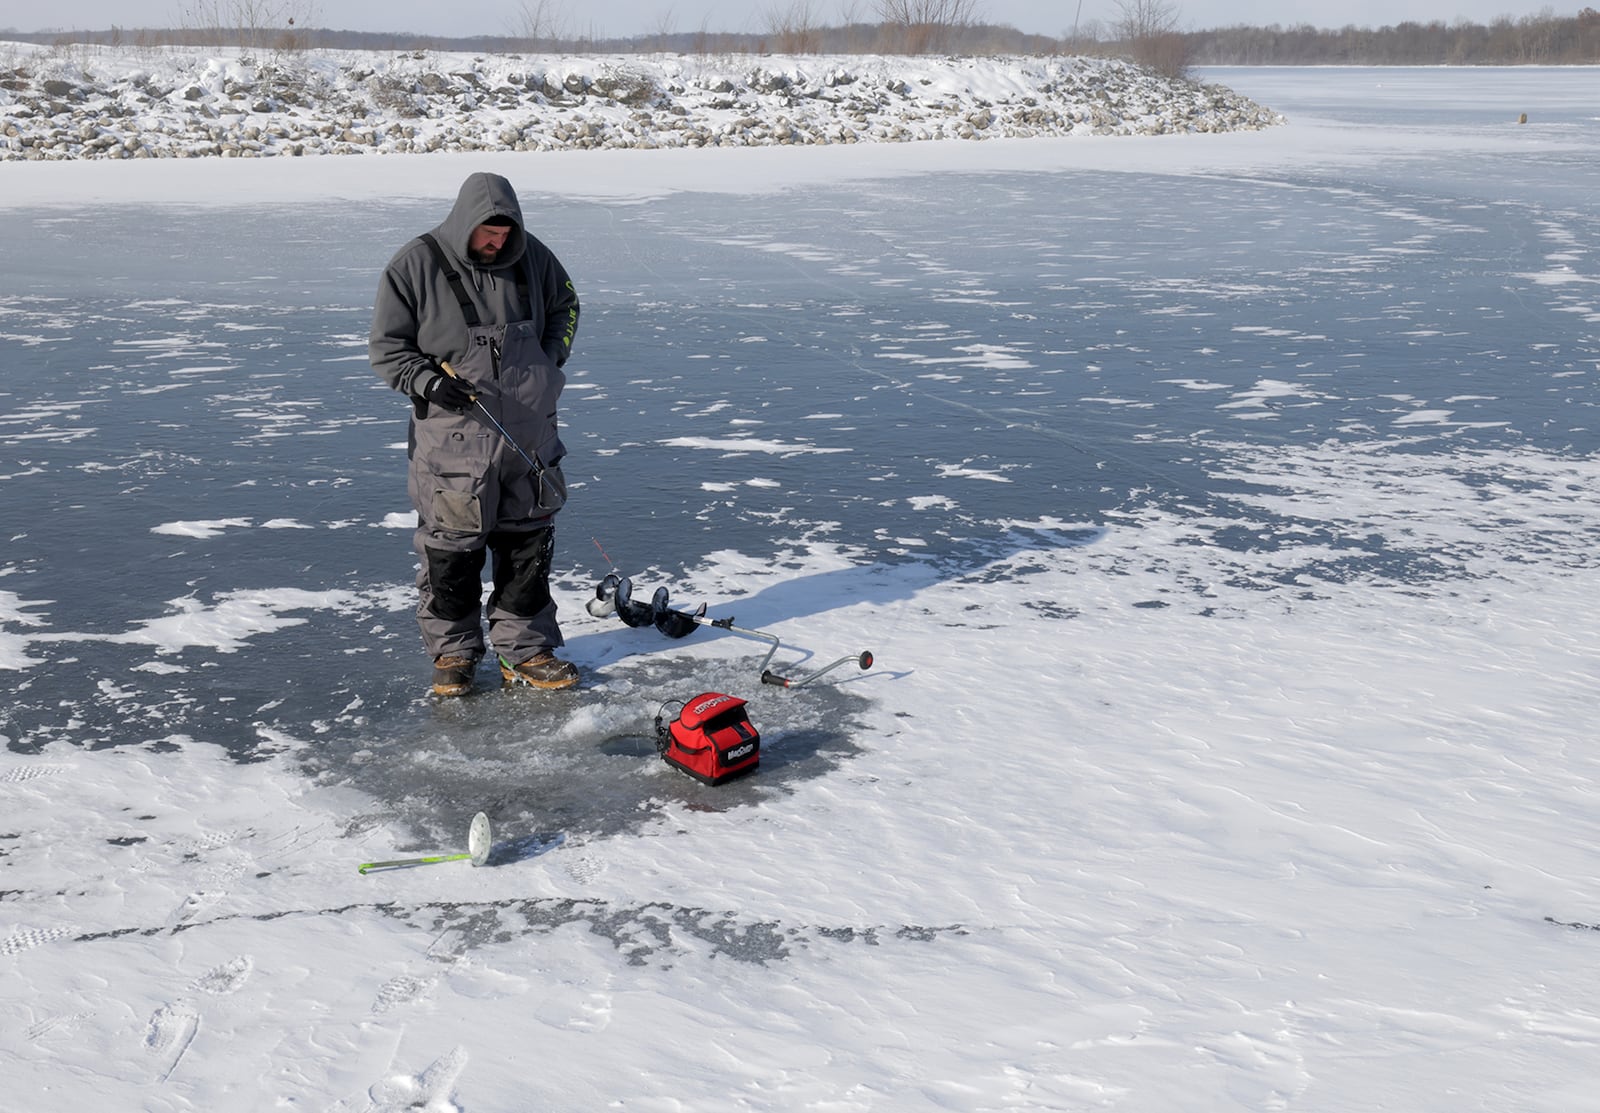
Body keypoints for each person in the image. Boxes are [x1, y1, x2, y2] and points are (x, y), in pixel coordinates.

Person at [370, 172, 581, 696]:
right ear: (466, 224)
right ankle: (455, 651)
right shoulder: (414, 264)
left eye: (507, 233)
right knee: (451, 549)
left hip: (530, 434)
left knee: (528, 543)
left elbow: (567, 308)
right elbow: (388, 349)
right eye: (490, 234)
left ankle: (527, 649)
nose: (500, 243)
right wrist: (429, 384)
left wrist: (547, 362)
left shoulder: (536, 257)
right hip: (454, 440)